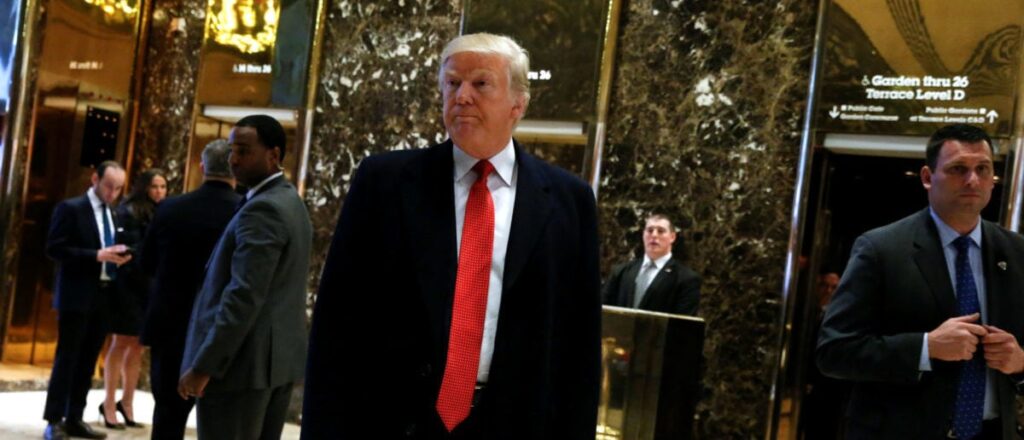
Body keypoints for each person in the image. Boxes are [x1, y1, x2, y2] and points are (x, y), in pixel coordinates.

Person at [302, 33, 602, 439]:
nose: (461, 96)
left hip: (515, 423)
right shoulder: (385, 182)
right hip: (394, 420)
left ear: (518, 104)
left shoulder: (569, 200)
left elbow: (580, 343)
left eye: (480, 84)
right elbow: (338, 321)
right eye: (452, 83)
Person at [817, 124, 1024, 439]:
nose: (973, 180)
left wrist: (1020, 363)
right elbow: (834, 351)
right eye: (958, 169)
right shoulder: (880, 249)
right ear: (928, 177)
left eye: (983, 169)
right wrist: (926, 348)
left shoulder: (1017, 252)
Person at [178, 115, 311, 439]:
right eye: (231, 151)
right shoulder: (289, 199)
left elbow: (244, 295)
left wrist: (205, 365)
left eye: (243, 151)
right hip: (271, 366)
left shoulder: (264, 209)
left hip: (239, 369)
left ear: (273, 155)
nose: (233, 160)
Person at [140, 140, 239, 440]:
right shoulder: (243, 210)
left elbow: (146, 263)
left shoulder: (170, 207)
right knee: (220, 422)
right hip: (220, 327)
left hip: (170, 324)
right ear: (236, 168)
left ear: (201, 166)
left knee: (167, 414)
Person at [43, 161, 130, 440]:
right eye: (108, 186)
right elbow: (55, 248)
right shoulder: (71, 208)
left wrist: (119, 255)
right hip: (76, 294)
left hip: (103, 295)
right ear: (95, 179)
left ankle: (75, 417)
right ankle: (54, 419)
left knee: (88, 360)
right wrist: (95, 255)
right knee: (67, 358)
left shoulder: (114, 212)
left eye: (118, 188)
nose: (112, 193)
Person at [99, 168, 167, 430]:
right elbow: (128, 249)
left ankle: (126, 402)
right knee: (121, 341)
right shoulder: (129, 210)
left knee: (139, 345)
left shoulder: (163, 212)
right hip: (128, 285)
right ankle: (108, 402)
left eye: (163, 187)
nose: (159, 192)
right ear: (144, 187)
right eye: (154, 186)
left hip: (150, 287)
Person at [602, 214, 701, 315]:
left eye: (661, 231)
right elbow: (602, 311)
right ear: (643, 235)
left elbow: (683, 321)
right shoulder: (621, 272)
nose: (654, 235)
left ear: (672, 237)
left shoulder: (686, 279)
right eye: (649, 230)